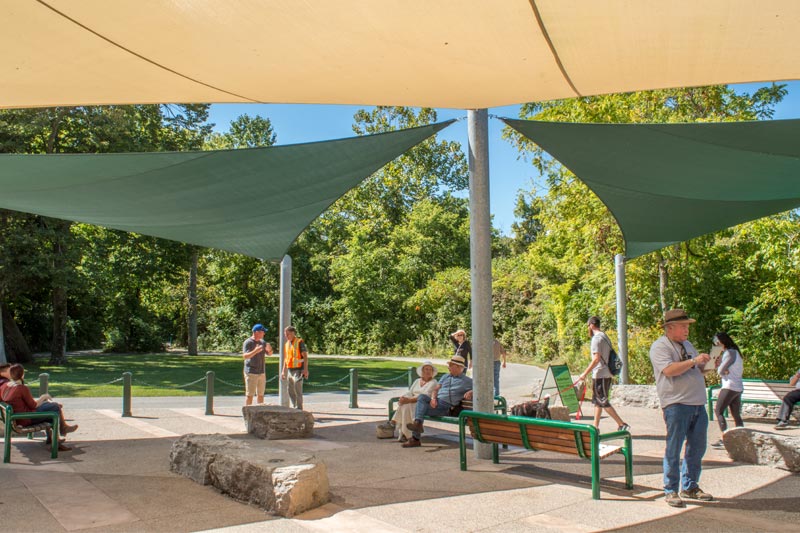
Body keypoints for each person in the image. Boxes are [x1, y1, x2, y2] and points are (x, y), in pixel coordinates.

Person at [649, 309, 713, 508]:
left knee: (697, 447)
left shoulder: (687, 345)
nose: (687, 330)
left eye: (687, 326)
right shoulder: (660, 346)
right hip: (676, 404)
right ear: (670, 328)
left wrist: (711, 364)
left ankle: (690, 486)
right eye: (683, 326)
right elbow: (669, 370)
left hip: (697, 403)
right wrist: (694, 361)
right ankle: (670, 489)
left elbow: (697, 370)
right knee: (674, 447)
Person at [0, 364, 78, 451]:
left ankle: (55, 438)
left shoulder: (5, 386)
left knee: (52, 407)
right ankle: (60, 434)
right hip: (26, 418)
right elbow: (33, 405)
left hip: (17, 418)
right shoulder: (21, 388)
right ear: (22, 375)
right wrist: (43, 396)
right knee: (55, 408)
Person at [403, 354, 473, 448]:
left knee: (419, 410)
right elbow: (435, 389)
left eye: (450, 365)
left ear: (458, 367)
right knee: (422, 397)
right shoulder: (445, 376)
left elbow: (484, 389)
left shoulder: (467, 381)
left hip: (447, 408)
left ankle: (415, 438)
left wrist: (471, 391)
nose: (448, 367)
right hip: (437, 403)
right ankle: (417, 425)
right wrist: (433, 398)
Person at [577, 316, 629, 432]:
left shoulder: (596, 339)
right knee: (598, 401)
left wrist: (584, 373)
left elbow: (596, 359)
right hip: (607, 373)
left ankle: (621, 424)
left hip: (600, 374)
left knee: (602, 401)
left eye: (588, 326)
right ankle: (595, 427)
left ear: (591, 325)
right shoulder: (604, 336)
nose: (588, 328)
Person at [391, 361, 439, 442]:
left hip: (423, 403)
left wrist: (408, 400)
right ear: (422, 371)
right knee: (405, 405)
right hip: (411, 400)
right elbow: (410, 392)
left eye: (430, 370)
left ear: (432, 372)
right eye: (426, 369)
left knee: (407, 405)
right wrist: (403, 398)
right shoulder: (417, 381)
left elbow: (425, 395)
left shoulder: (433, 382)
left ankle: (395, 424)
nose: (428, 371)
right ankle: (406, 434)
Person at [711, 332, 744, 446]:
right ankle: (742, 437)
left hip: (729, 386)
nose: (716, 345)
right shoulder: (735, 352)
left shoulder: (729, 352)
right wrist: (723, 368)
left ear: (722, 342)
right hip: (737, 387)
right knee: (736, 414)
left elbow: (721, 370)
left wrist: (722, 369)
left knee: (718, 411)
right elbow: (725, 368)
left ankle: (725, 437)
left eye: (717, 342)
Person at [242, 324, 272, 406]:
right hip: (251, 372)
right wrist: (255, 351)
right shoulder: (248, 342)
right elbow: (245, 356)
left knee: (261, 394)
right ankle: (248, 411)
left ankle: (260, 411)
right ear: (256, 332)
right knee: (250, 395)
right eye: (262, 332)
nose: (264, 334)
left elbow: (269, 354)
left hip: (261, 372)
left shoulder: (262, 342)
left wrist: (269, 350)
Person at [281, 326, 308, 410]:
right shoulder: (286, 344)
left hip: (298, 370)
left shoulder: (299, 342)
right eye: (285, 334)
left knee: (297, 388)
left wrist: (305, 370)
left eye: (288, 334)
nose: (286, 336)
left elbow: (305, 356)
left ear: (293, 333)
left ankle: (299, 408)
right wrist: (283, 371)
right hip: (290, 370)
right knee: (290, 390)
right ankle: (294, 406)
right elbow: (286, 359)